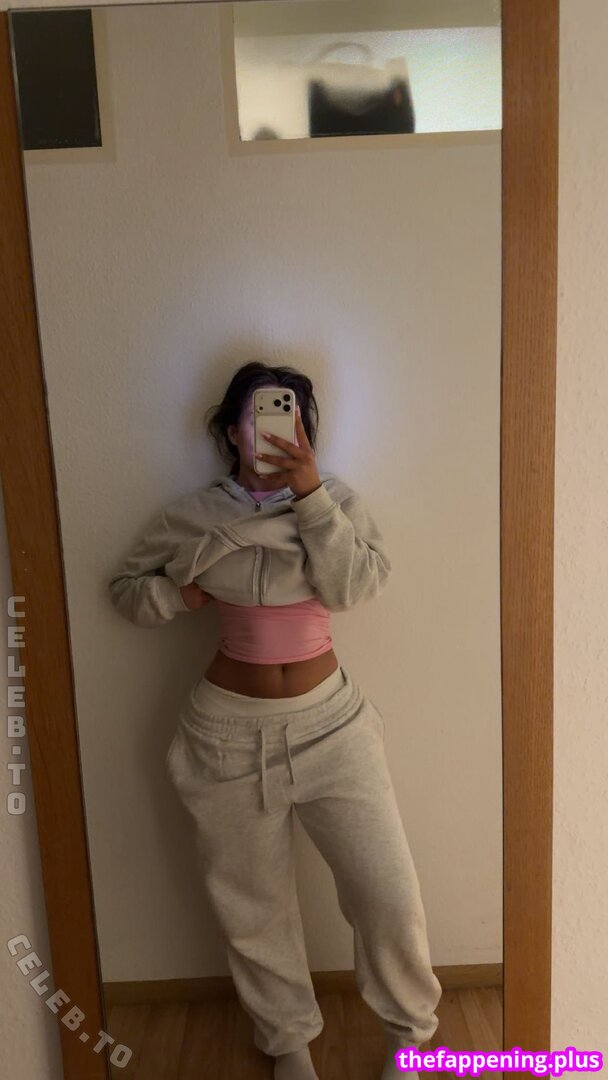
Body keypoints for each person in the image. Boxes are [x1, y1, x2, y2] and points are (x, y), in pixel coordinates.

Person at [108, 360, 441, 1080]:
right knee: (253, 907)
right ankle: (288, 1045)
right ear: (232, 430)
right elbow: (127, 591)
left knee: (388, 894)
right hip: (225, 738)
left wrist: (311, 495)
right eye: (258, 415)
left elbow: (354, 587)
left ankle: (411, 1039)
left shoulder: (334, 500)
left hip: (334, 728)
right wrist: (178, 596)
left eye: (289, 416)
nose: (273, 430)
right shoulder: (193, 515)